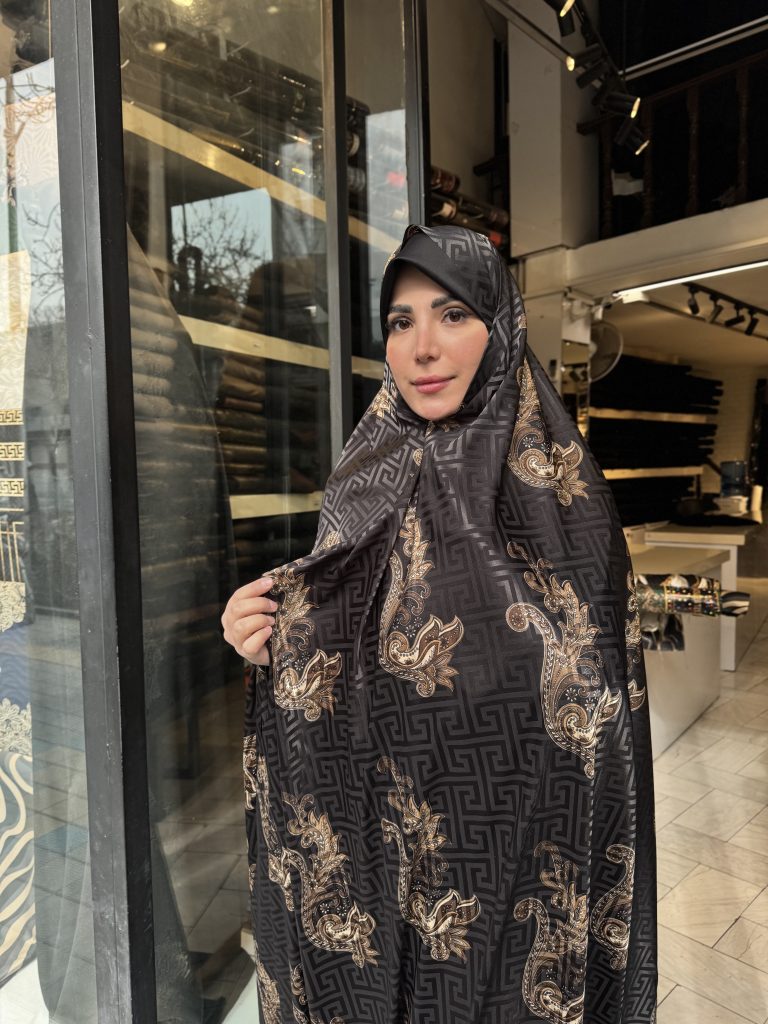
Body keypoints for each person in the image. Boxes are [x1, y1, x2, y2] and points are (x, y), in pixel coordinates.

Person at [222, 224, 657, 1024]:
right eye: (401, 321)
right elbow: (332, 619)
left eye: (453, 314)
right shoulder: (365, 471)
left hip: (510, 880)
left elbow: (597, 727)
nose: (422, 346)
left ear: (500, 326)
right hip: (368, 866)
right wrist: (262, 630)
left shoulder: (567, 501)